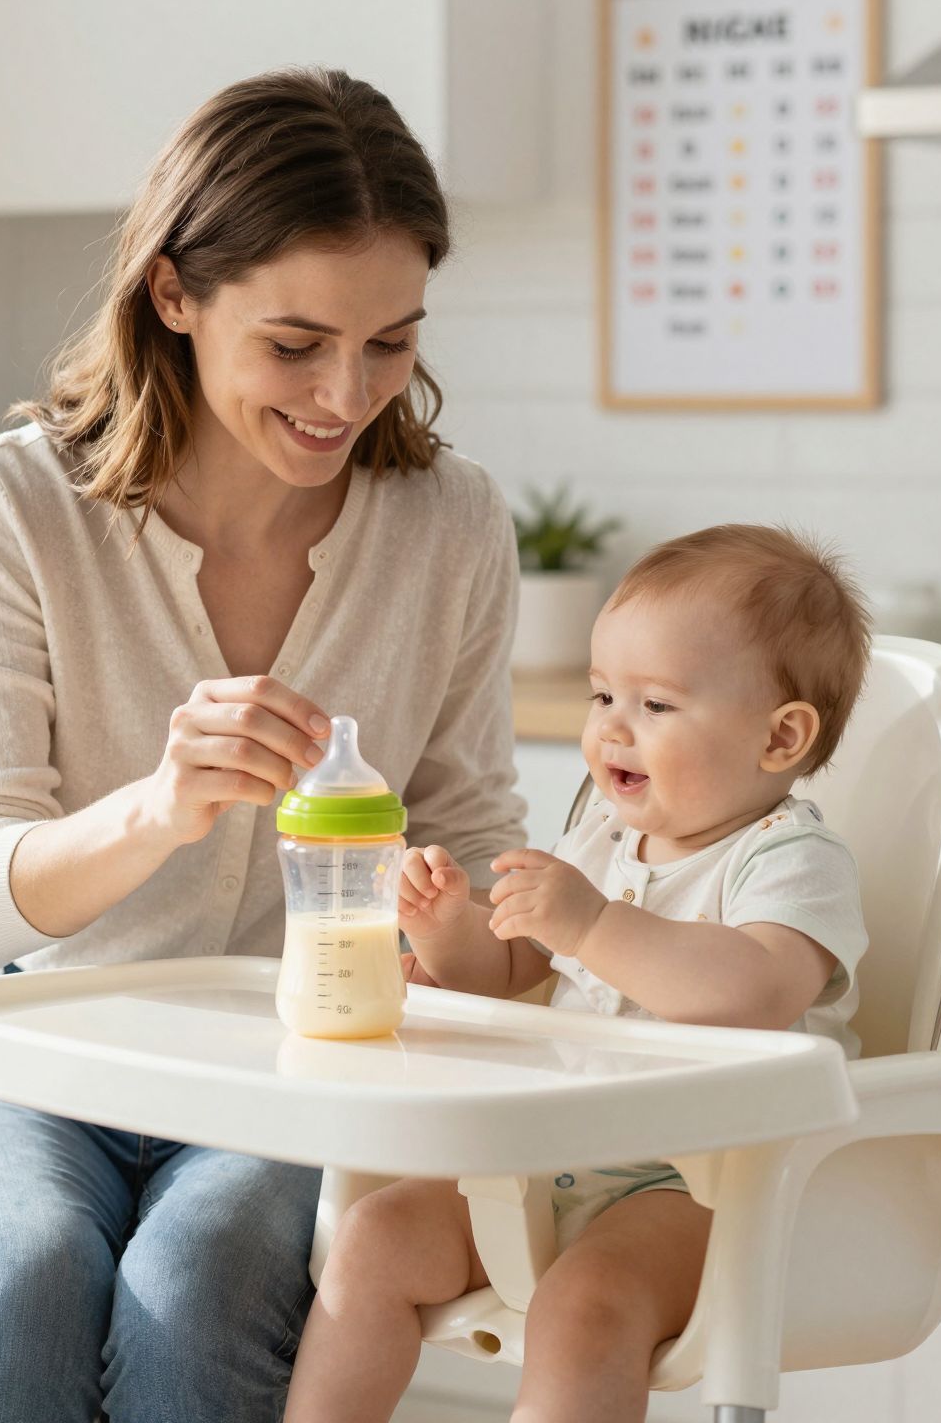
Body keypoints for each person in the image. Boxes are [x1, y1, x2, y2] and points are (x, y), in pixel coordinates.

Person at [0, 67, 527, 1421]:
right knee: (23, 1283)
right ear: (174, 294)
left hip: (300, 1081)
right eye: (296, 344)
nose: (345, 393)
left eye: (390, 343)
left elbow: (472, 843)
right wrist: (158, 807)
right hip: (22, 1066)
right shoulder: (14, 506)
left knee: (197, 1299)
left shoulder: (448, 524)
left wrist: (466, 920)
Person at [287, 524, 873, 1423]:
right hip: (549, 1154)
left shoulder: (790, 859)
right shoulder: (600, 838)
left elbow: (757, 990)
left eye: (657, 704)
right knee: (373, 1238)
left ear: (781, 737)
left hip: (701, 1184)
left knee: (583, 1307)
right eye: (603, 694)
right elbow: (508, 968)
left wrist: (595, 923)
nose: (612, 728)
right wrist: (448, 930)